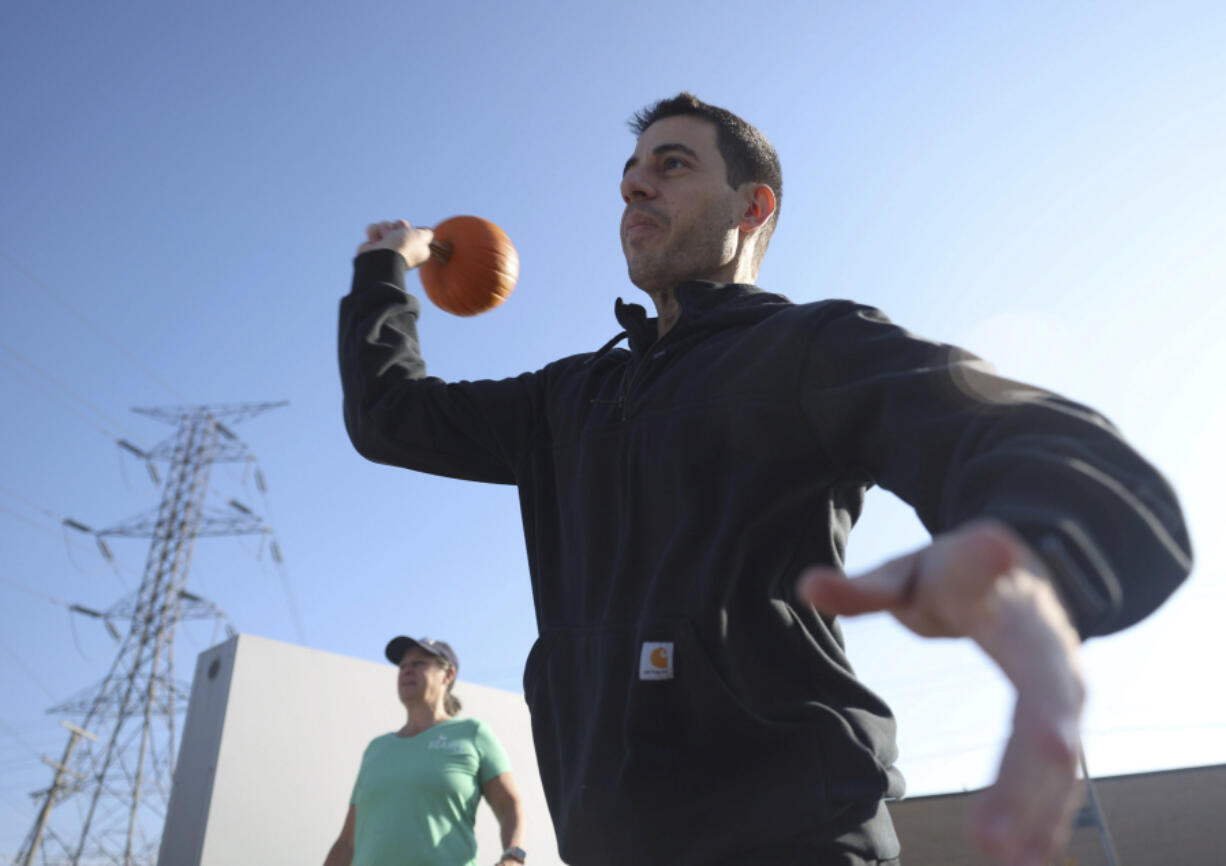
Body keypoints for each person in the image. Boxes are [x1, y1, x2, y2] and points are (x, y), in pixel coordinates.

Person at [337, 93, 1192, 865]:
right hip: (608, 848)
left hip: (793, 841)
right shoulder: (566, 399)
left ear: (754, 205)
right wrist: (384, 270)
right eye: (630, 175)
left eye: (672, 166)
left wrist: (1034, 558)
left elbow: (1033, 443)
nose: (636, 188)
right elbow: (389, 418)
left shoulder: (808, 349)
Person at [324, 637, 527, 866]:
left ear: (448, 674)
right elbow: (346, 843)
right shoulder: (376, 749)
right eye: (402, 666)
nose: (407, 670)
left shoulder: (472, 733)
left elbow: (510, 804)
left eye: (419, 663)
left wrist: (513, 856)